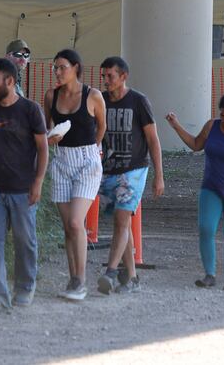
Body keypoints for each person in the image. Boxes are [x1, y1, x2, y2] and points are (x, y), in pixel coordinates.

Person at [165, 94, 224, 291]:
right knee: (206, 228)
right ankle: (210, 274)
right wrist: (176, 126)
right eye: (223, 115)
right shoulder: (211, 126)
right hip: (211, 187)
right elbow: (196, 145)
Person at [0, 58, 48, 310]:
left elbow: (43, 148)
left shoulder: (30, 110)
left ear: (9, 80)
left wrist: (38, 181)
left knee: (24, 241)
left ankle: (25, 287)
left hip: (23, 190)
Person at [96, 56, 165, 296]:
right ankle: (132, 277)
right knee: (121, 223)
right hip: (108, 169)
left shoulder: (138, 101)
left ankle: (110, 272)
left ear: (123, 76)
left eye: (110, 76)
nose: (106, 81)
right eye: (104, 76)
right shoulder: (100, 100)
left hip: (134, 169)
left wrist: (159, 175)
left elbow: (153, 139)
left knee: (122, 218)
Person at [42, 49, 106, 302]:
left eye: (62, 67)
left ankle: (80, 280)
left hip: (87, 161)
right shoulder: (51, 95)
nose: (58, 72)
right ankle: (73, 278)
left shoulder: (93, 95)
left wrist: (93, 149)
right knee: (68, 226)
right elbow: (45, 128)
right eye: (55, 68)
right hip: (61, 160)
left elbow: (101, 126)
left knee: (76, 222)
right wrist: (50, 139)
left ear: (76, 67)